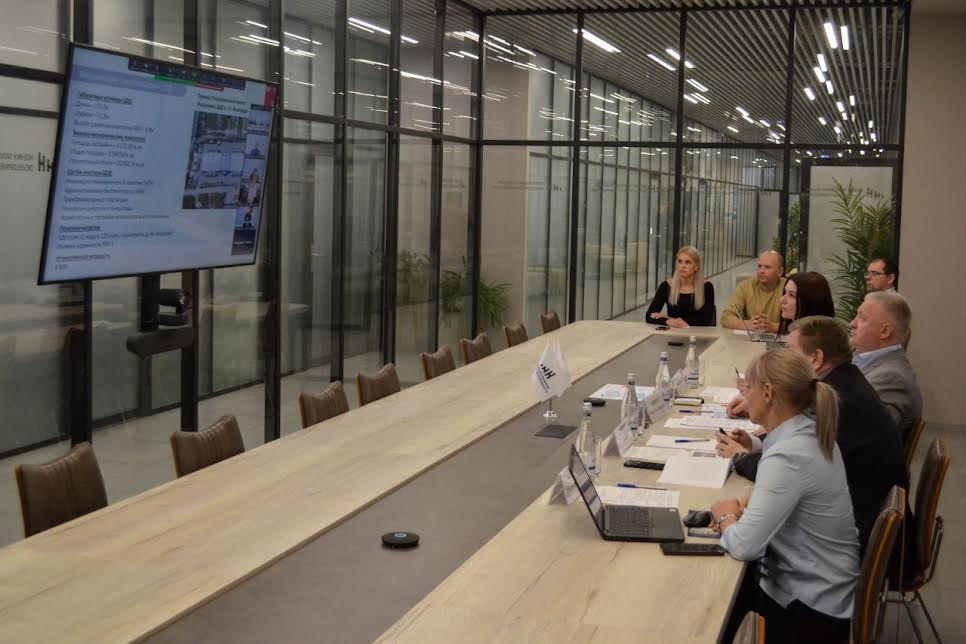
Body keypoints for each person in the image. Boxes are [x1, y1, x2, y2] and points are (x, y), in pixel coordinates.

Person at [717, 316, 908, 556]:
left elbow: (745, 545)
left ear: (816, 358)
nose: (784, 358)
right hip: (839, 535)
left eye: (789, 351)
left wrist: (725, 514)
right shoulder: (837, 388)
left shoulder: (838, 403)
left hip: (841, 547)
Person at [711, 349, 858, 643]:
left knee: (710, 603)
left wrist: (725, 515)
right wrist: (747, 508)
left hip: (809, 611)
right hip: (828, 591)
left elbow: (744, 546)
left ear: (767, 392)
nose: (745, 396)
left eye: (748, 388)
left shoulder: (788, 456)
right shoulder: (809, 431)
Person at [850, 291, 922, 442]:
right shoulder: (872, 363)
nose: (853, 323)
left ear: (885, 331)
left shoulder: (890, 377)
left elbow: (867, 436)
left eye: (862, 318)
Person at [644, 246, 715, 328]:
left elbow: (705, 320)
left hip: (697, 333)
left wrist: (670, 319)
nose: (682, 266)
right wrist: (668, 321)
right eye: (679, 261)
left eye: (688, 262)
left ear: (696, 267)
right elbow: (650, 316)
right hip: (674, 332)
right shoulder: (666, 285)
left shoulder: (706, 287)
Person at [720, 251, 786, 333]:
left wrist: (773, 327)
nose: (761, 271)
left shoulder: (788, 288)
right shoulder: (745, 287)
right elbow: (726, 317)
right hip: (751, 339)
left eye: (767, 267)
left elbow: (797, 324)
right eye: (759, 266)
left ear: (780, 272)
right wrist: (748, 325)